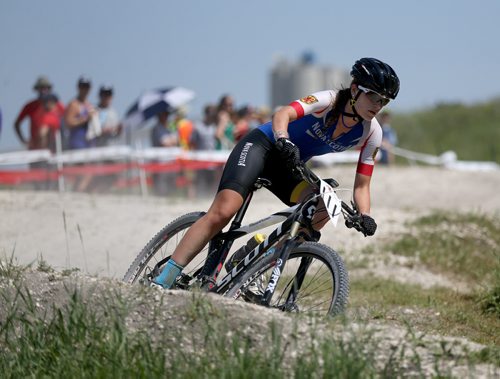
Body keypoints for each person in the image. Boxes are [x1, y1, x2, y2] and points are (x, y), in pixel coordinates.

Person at [152, 57, 400, 289]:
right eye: (374, 97)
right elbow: (283, 113)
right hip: (263, 146)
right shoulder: (328, 100)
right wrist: (283, 138)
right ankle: (164, 279)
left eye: (384, 101)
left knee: (321, 206)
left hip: (289, 165)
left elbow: (362, 186)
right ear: (355, 89)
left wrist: (365, 214)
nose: (378, 105)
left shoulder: (372, 132)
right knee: (224, 211)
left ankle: (254, 261)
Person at [14, 76, 64, 149]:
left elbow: (67, 122)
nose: (43, 90)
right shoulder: (30, 106)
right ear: (37, 89)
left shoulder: (58, 105)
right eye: (41, 88)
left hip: (55, 148)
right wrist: (23, 141)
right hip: (35, 148)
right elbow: (16, 124)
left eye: (46, 87)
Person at [150, 109, 178, 196]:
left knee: (172, 188)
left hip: (171, 162)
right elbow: (164, 143)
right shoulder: (156, 128)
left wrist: (172, 141)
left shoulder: (170, 127)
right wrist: (172, 141)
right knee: (161, 189)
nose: (166, 117)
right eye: (164, 114)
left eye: (167, 114)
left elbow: (176, 140)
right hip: (160, 163)